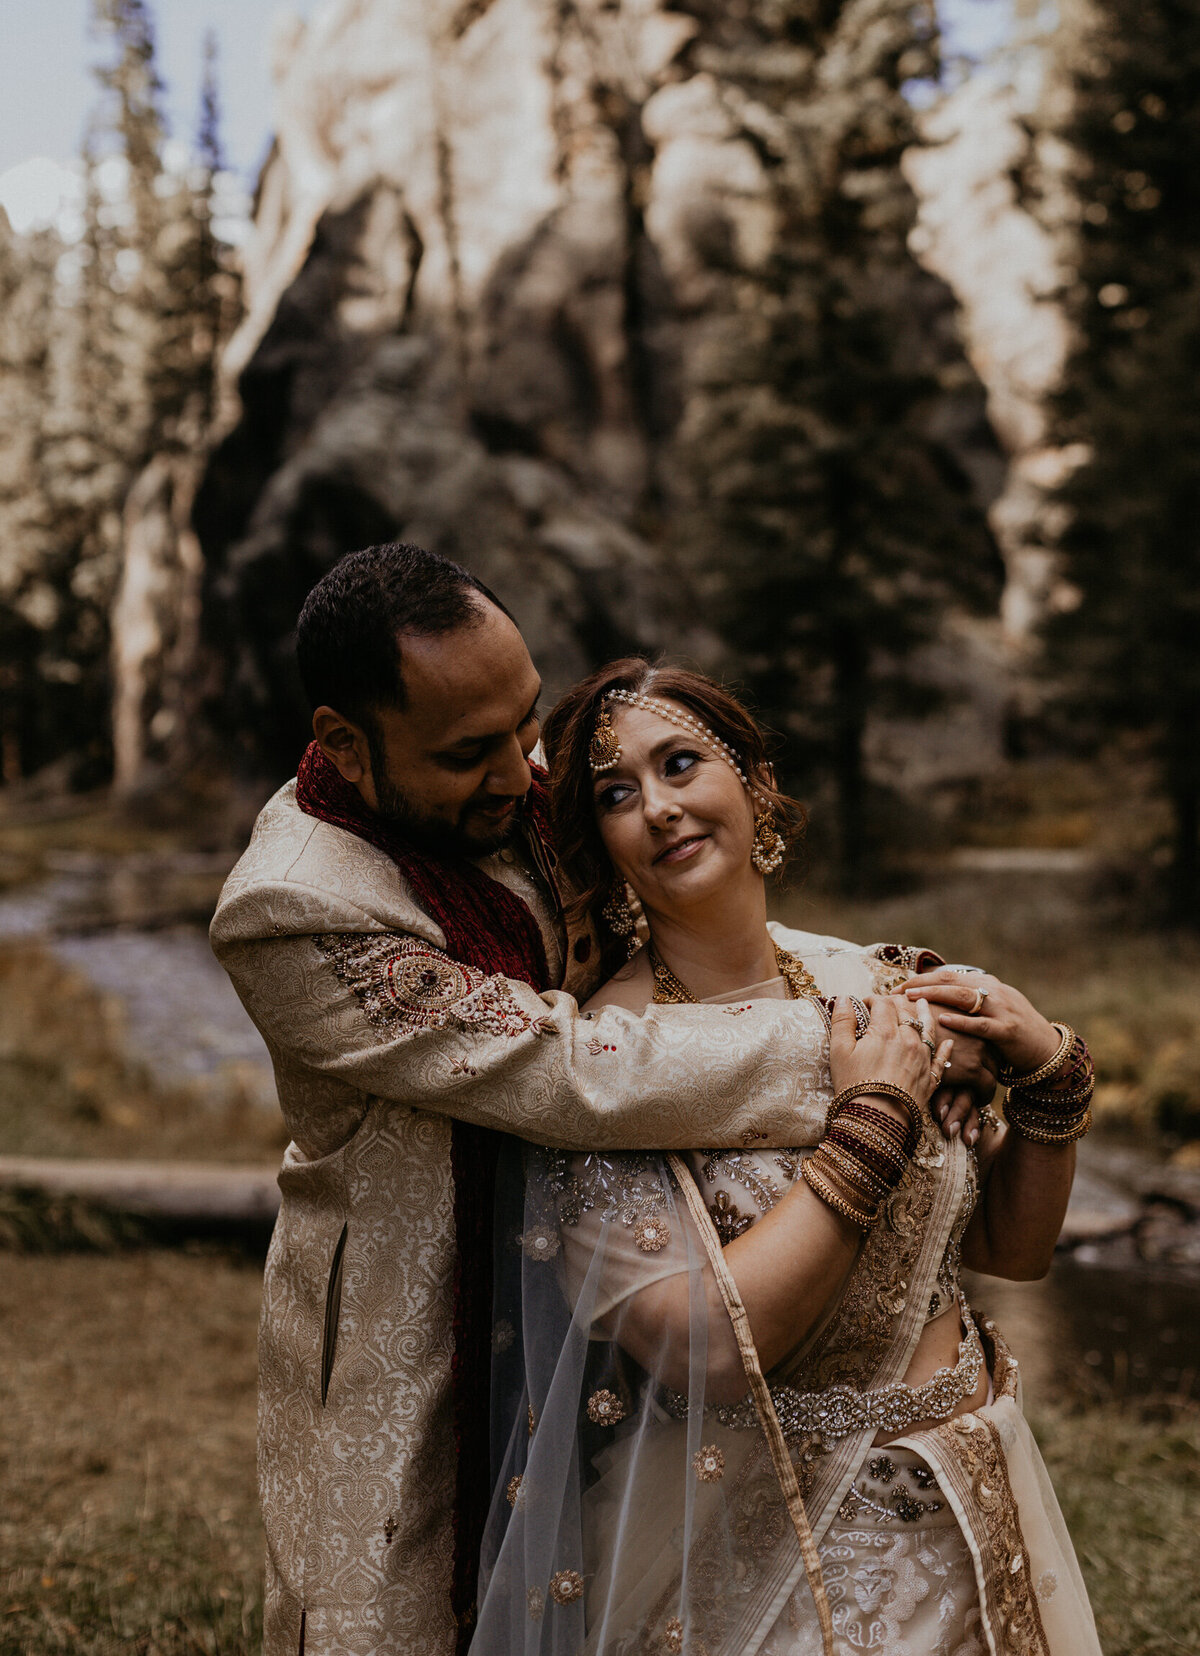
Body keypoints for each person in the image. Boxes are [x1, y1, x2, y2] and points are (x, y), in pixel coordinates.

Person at [209, 545, 989, 1656]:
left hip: (607, 1272)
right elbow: (573, 1070)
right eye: (471, 751)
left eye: (525, 723)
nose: (523, 772)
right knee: (400, 1620)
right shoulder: (292, 907)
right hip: (420, 1327)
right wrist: (872, 1054)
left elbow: (697, 923)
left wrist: (916, 991)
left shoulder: (507, 790)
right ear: (344, 742)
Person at [472, 658, 1100, 1656]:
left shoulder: (880, 982)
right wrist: (871, 1123)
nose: (662, 808)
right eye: (617, 794)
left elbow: (1007, 1251)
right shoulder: (607, 1065)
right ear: (602, 848)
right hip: (781, 1555)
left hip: (979, 1501)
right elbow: (708, 1351)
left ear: (757, 786)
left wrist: (1053, 1080)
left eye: (682, 764)